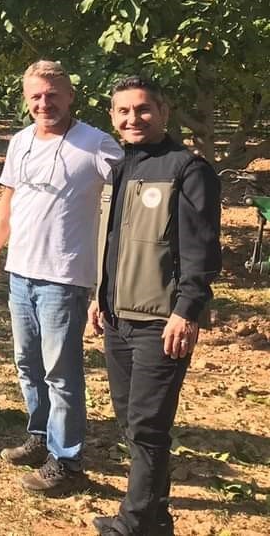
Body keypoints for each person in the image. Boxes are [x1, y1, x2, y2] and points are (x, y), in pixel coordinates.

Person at [0, 60, 122, 494]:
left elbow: (128, 198)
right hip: (21, 273)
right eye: (36, 96)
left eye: (53, 95)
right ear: (27, 100)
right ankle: (39, 437)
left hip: (65, 276)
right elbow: (9, 201)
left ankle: (68, 461)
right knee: (28, 364)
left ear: (70, 95)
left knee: (61, 371)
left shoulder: (96, 145)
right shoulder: (19, 141)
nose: (44, 103)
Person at [89, 77, 221, 536]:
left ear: (164, 111)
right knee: (132, 422)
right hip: (116, 318)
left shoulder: (187, 169)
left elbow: (201, 250)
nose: (133, 119)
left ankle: (134, 523)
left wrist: (187, 310)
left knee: (147, 426)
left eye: (143, 109)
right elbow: (112, 241)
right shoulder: (119, 166)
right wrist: (98, 296)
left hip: (160, 320)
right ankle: (155, 518)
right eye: (123, 111)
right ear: (112, 118)